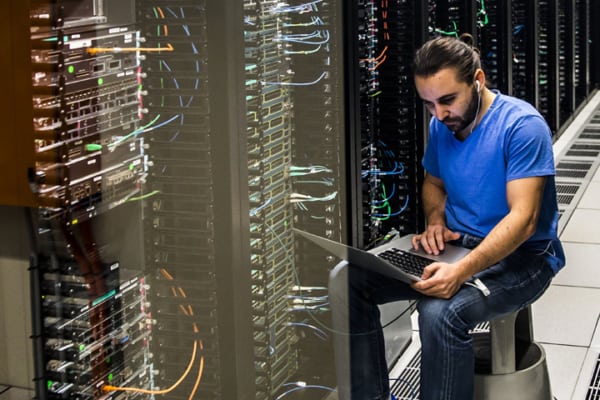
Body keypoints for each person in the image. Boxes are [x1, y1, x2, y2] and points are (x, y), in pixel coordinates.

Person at [328, 34, 566, 400]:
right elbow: (433, 183)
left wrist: (462, 270)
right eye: (429, 104)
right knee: (348, 280)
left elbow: (524, 220)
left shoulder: (521, 126)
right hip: (457, 248)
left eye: (447, 100)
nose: (439, 114)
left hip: (525, 258)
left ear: (478, 80)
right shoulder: (442, 125)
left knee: (440, 313)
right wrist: (436, 222)